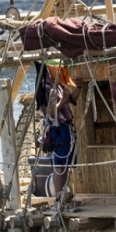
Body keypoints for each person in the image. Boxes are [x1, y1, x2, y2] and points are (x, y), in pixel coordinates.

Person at [35, 60, 78, 197]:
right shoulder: (45, 87)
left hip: (65, 128)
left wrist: (79, 88)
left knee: (64, 164)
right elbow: (49, 113)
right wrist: (63, 100)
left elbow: (72, 100)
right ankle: (60, 196)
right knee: (59, 165)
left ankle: (62, 195)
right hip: (58, 129)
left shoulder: (56, 84)